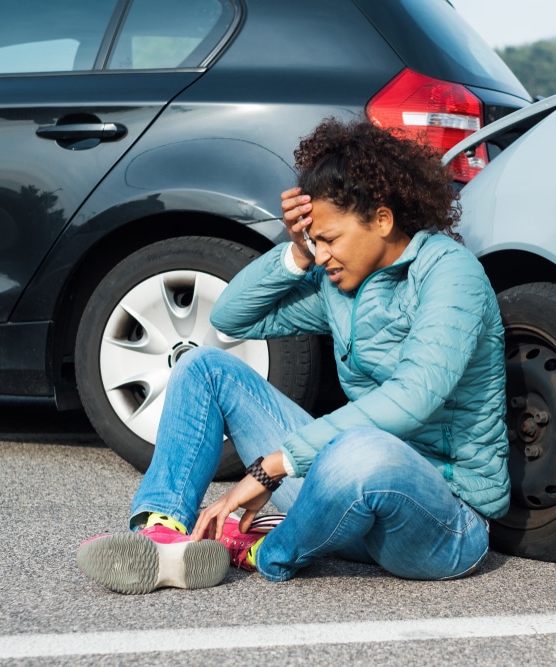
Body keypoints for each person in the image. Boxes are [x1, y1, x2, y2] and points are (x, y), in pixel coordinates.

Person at [76, 117, 510, 594]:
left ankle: (269, 549)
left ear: (382, 220)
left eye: (329, 239)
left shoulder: (451, 274)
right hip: (341, 494)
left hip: (444, 522)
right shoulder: (338, 286)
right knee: (201, 366)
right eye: (315, 241)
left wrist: (272, 466)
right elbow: (230, 317)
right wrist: (296, 253)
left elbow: (413, 398)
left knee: (359, 450)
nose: (322, 254)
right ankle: (164, 534)